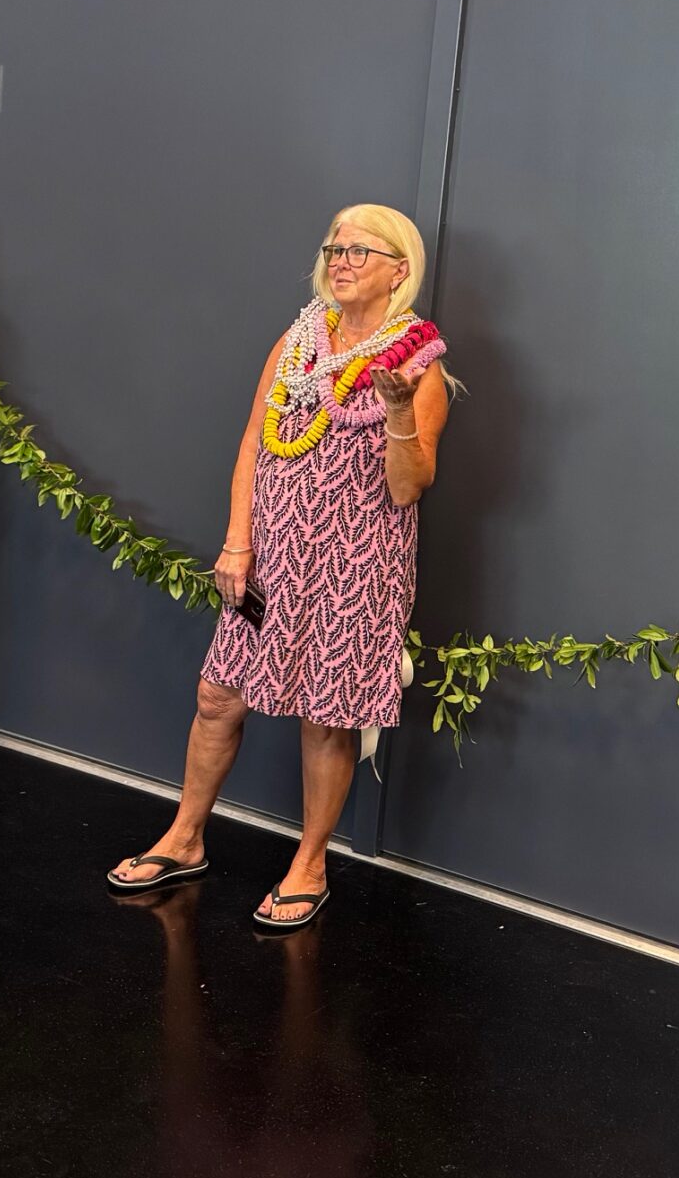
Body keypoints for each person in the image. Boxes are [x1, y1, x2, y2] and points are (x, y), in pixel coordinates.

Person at [106, 205, 452, 930]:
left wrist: (396, 412)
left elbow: (407, 486)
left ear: (400, 269)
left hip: (357, 568)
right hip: (273, 556)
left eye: (362, 249)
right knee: (216, 696)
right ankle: (186, 835)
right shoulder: (298, 340)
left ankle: (310, 864)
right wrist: (239, 540)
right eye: (335, 246)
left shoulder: (418, 360)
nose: (342, 258)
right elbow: (253, 444)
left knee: (327, 720)